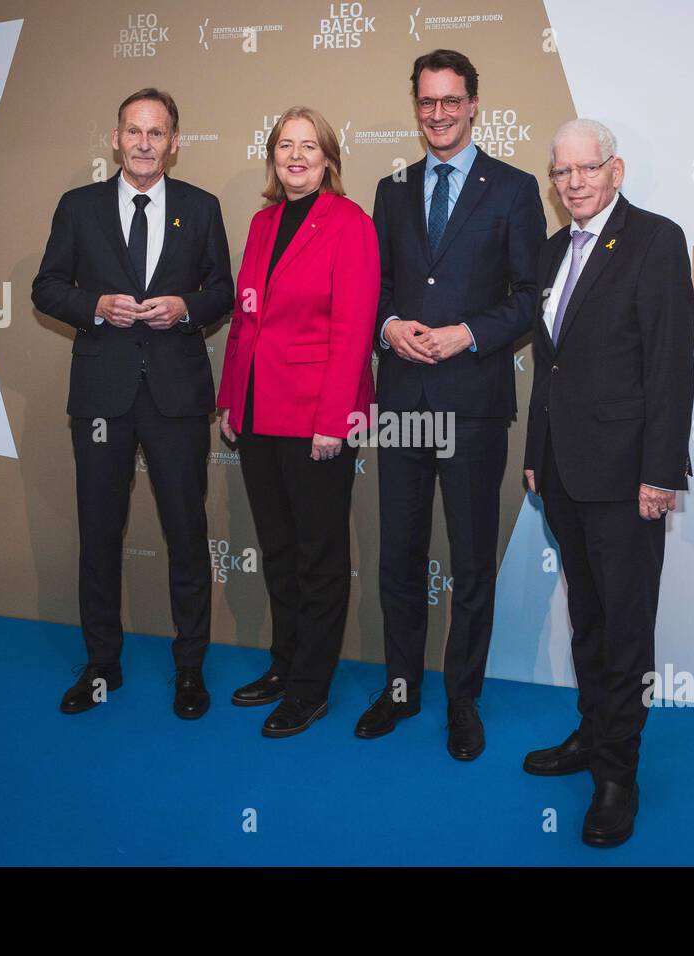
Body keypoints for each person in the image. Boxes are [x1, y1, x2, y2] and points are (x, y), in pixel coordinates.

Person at [357, 49, 546, 759]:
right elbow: (373, 288)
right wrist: (388, 327)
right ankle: (401, 691)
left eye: (451, 100)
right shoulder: (392, 188)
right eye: (427, 102)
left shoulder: (516, 188)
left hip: (472, 403)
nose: (438, 113)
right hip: (404, 399)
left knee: (470, 562)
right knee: (399, 558)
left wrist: (468, 333)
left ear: (473, 104)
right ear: (418, 106)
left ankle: (462, 701)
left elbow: (530, 298)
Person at [32, 88, 234, 719]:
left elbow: (223, 290)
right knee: (98, 533)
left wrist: (186, 308)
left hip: (175, 396)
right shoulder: (79, 207)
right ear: (115, 138)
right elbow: (46, 288)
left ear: (173, 142)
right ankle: (101, 666)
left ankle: (190, 670)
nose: (145, 142)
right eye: (134, 131)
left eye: (158, 132)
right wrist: (95, 306)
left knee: (186, 533)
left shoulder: (201, 208)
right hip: (101, 396)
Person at [521, 118, 694, 847]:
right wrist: (536, 450)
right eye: (561, 173)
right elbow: (548, 364)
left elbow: (668, 364)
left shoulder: (656, 240)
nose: (573, 184)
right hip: (562, 472)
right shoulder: (554, 248)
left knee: (625, 629)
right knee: (588, 618)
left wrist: (660, 471)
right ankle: (593, 735)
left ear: (615, 170)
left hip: (628, 480)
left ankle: (618, 774)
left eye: (586, 169)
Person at [216, 107, 380, 738]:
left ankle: (311, 687)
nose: (296, 156)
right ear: (273, 156)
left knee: (318, 556)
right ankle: (284, 667)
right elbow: (246, 320)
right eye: (286, 145)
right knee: (279, 551)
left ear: (328, 158)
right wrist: (232, 398)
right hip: (257, 413)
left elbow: (354, 326)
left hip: (316, 417)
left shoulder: (350, 223)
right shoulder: (261, 223)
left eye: (309, 146)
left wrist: (336, 417)